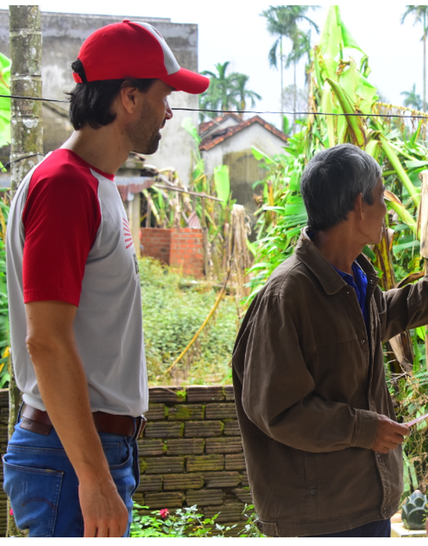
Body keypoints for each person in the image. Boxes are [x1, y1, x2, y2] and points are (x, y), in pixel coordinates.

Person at [3, 21, 208, 537]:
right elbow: (46, 340)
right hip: (73, 457)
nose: (170, 110)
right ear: (129, 97)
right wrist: (93, 478)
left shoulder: (98, 185)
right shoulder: (65, 186)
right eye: (165, 96)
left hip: (84, 451)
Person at [232, 143, 428, 537]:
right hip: (319, 520)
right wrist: (364, 429)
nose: (387, 211)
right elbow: (275, 410)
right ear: (359, 206)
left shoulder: (353, 280)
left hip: (366, 505)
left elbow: (389, 312)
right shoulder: (287, 296)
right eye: (382, 198)